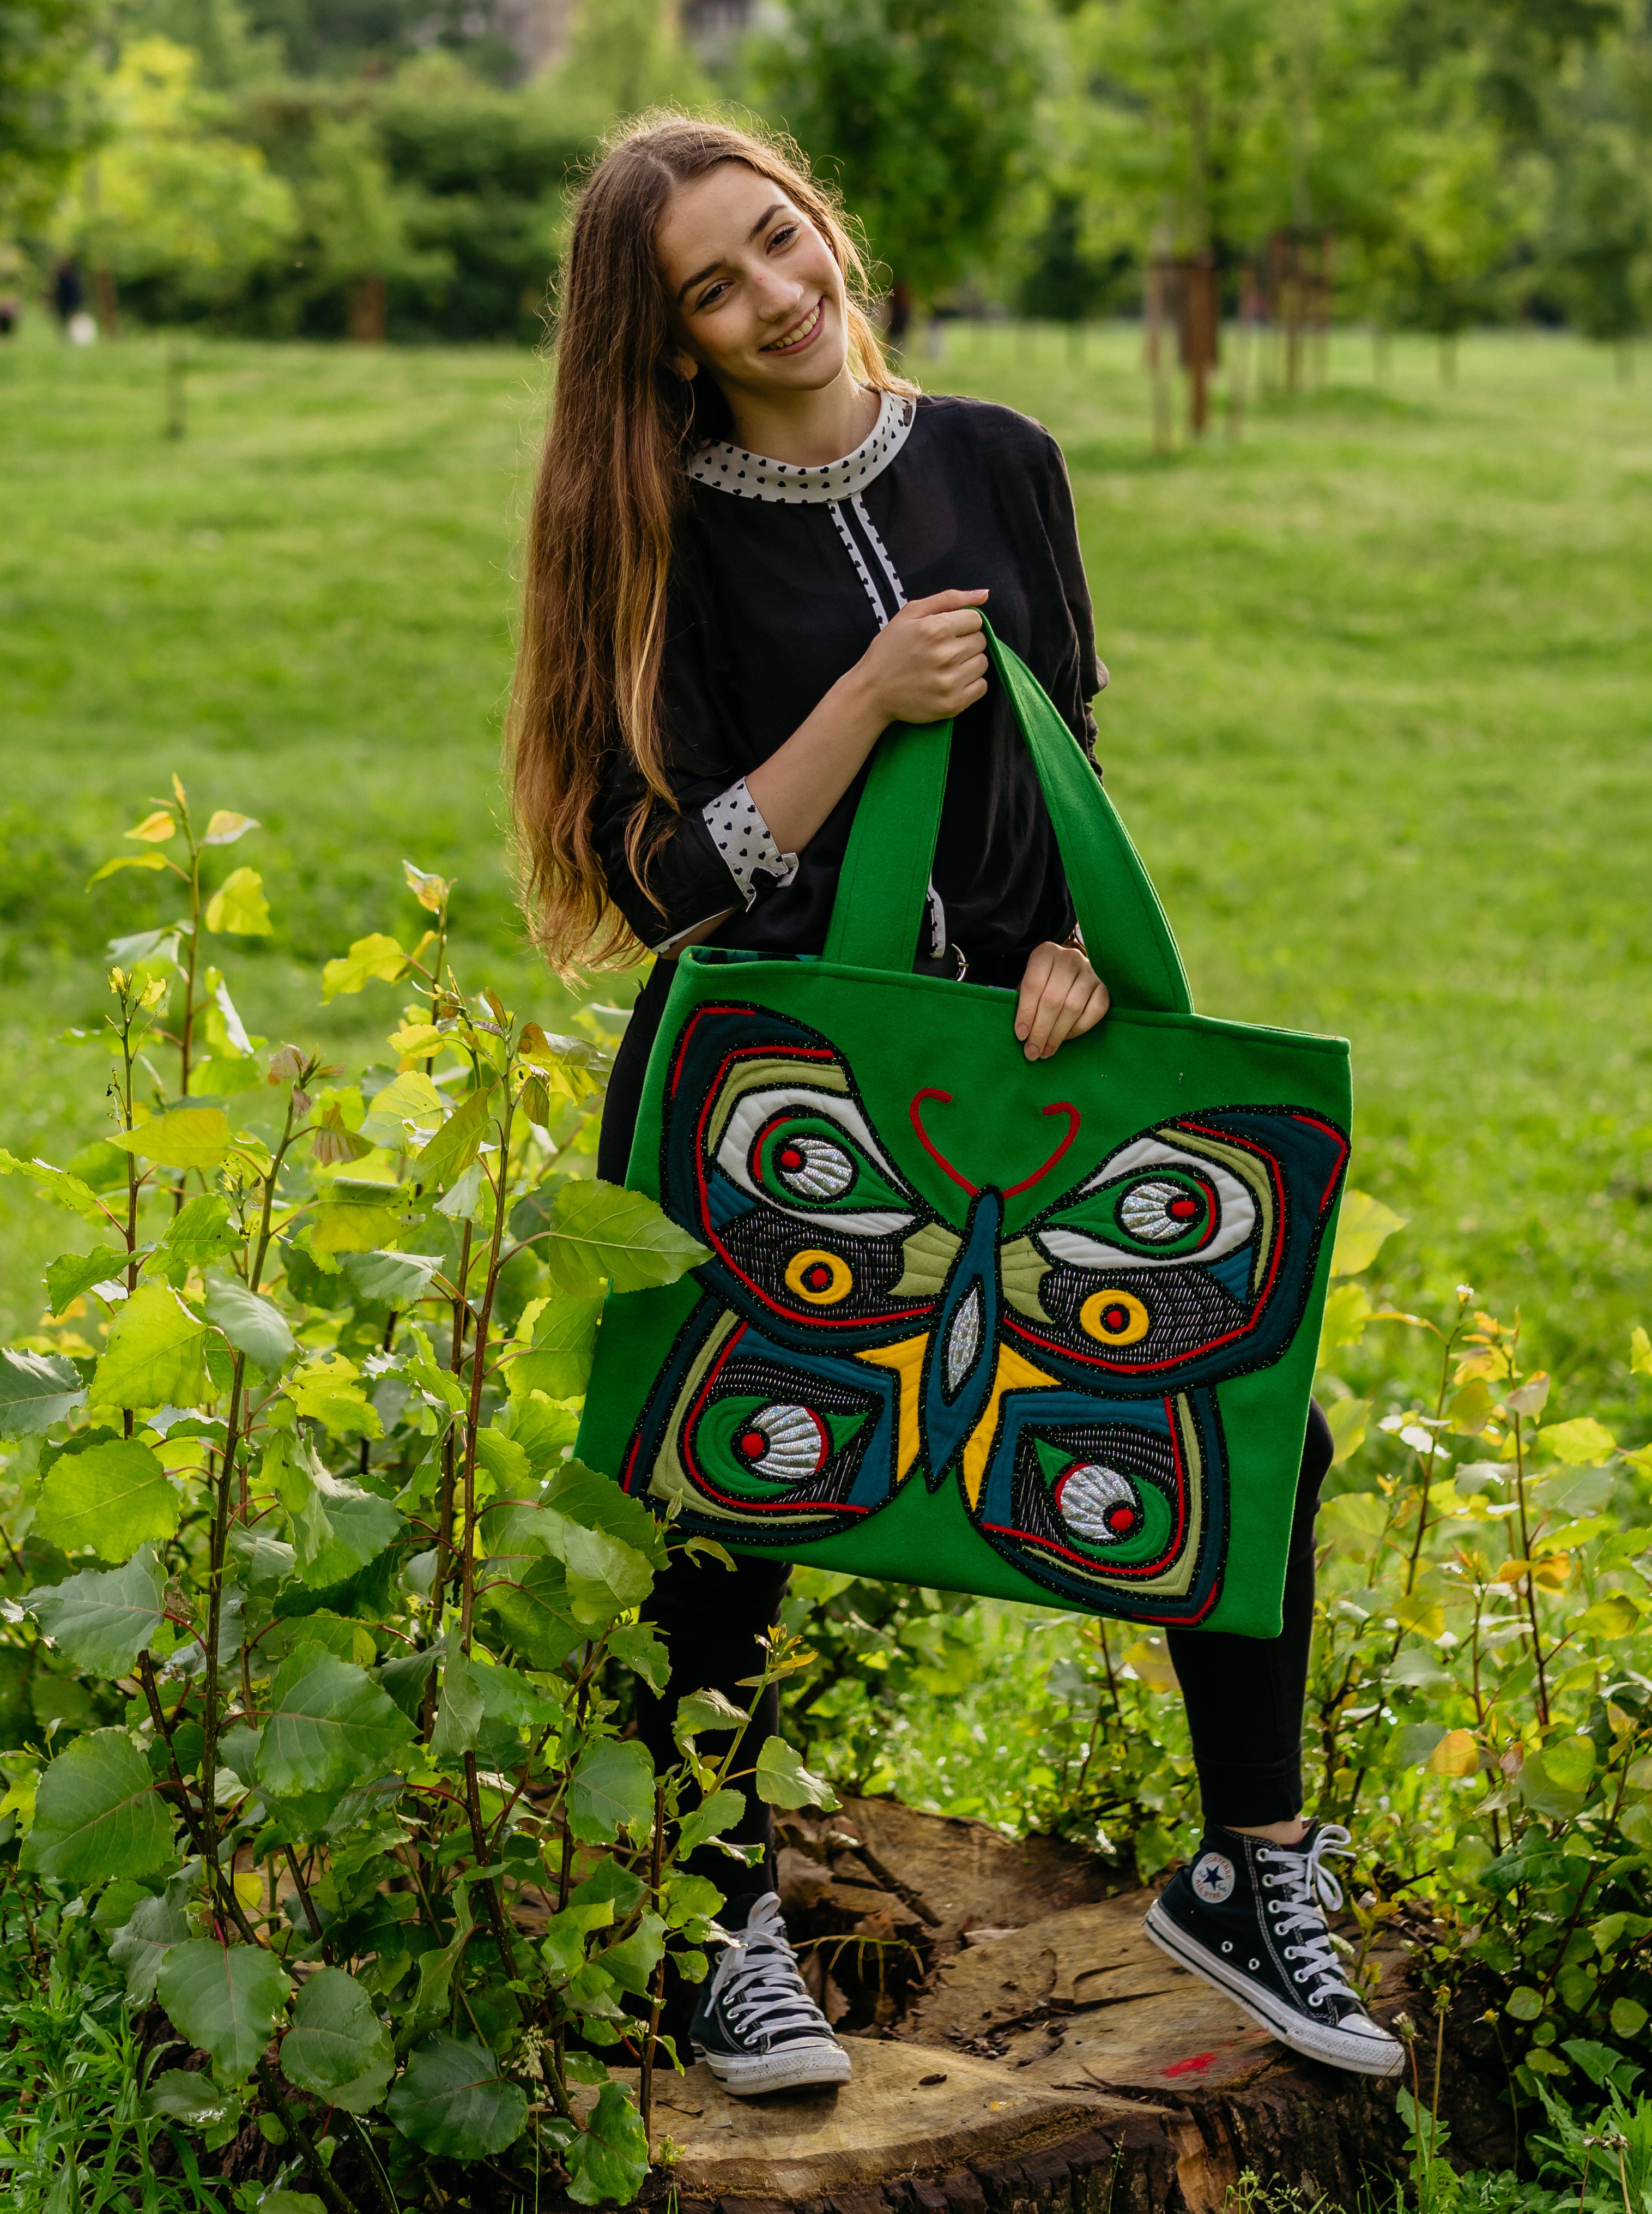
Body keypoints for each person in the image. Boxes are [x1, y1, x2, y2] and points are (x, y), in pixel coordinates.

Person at [508, 116, 1400, 2098]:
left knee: (1244, 1414)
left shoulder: (998, 459)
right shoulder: (650, 528)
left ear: (821, 217)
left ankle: (1247, 1870)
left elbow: (1058, 755)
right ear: (664, 343)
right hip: (778, 1086)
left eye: (777, 238)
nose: (772, 295)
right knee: (727, 1470)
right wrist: (853, 712)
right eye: (712, 289)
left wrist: (1067, 947)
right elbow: (648, 878)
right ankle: (712, 1902)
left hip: (998, 1068)